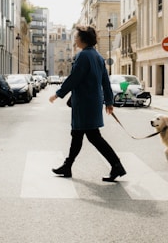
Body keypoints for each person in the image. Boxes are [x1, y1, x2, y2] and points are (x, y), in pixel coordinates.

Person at [49, 26, 126, 182]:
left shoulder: (83, 56)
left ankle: (116, 165)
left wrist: (58, 94)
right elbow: (106, 81)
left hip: (84, 103)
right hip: (92, 102)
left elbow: (74, 78)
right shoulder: (97, 56)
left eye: (76, 36)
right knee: (78, 135)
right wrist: (109, 101)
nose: (75, 39)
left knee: (93, 137)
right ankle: (67, 166)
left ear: (82, 39)